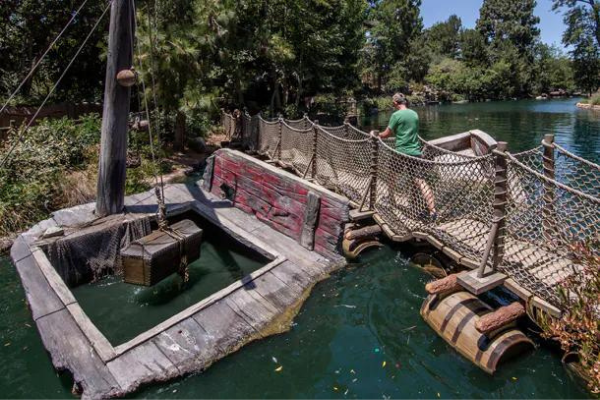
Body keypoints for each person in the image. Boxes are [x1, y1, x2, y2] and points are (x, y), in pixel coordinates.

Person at [371, 93, 437, 221]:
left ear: (395, 103)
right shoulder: (414, 114)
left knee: (391, 176)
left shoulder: (396, 115)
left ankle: (392, 200)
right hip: (415, 152)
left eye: (392, 102)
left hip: (400, 152)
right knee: (421, 182)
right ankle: (433, 210)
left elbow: (387, 133)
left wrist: (376, 134)